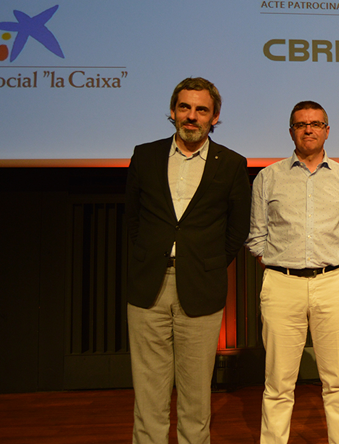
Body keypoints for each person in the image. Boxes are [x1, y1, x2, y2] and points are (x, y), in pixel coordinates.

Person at [125, 77, 251, 444]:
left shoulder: (231, 163)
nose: (191, 116)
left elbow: (236, 230)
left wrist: (206, 264)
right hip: (149, 285)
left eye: (201, 110)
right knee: (149, 393)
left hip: (201, 287)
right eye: (184, 107)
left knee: (196, 395)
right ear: (172, 111)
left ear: (215, 117)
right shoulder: (145, 155)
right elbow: (132, 220)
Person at [246, 101, 339, 444]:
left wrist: (334, 267)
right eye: (301, 124)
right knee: (278, 384)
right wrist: (279, 265)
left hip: (333, 283)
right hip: (281, 284)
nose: (308, 129)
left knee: (338, 381)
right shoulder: (268, 177)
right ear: (291, 132)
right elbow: (256, 236)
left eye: (315, 124)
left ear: (327, 130)